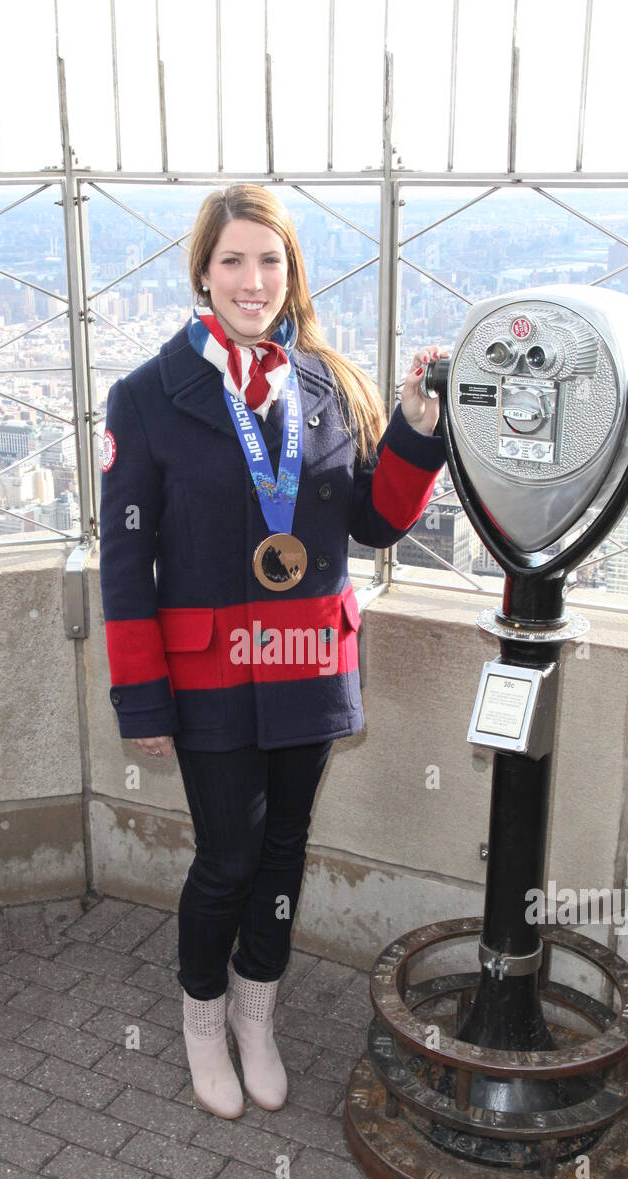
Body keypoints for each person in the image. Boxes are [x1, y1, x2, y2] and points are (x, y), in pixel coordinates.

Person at [99, 183, 447, 1120]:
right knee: (227, 854)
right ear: (202, 273)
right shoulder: (146, 397)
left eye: (271, 261)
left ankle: (260, 1010)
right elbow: (127, 563)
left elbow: (374, 521)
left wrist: (416, 430)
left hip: (306, 663)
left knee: (286, 846)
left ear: (291, 273)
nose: (253, 282)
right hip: (209, 669)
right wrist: (142, 700)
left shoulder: (328, 386)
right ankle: (202, 1017)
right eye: (233, 262)